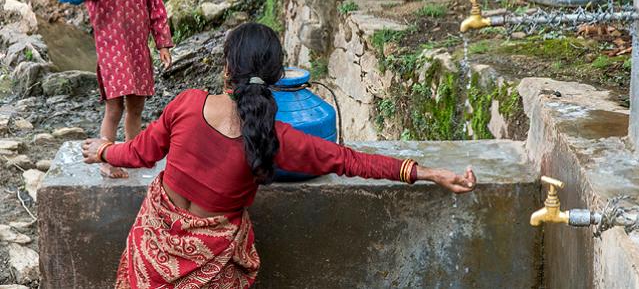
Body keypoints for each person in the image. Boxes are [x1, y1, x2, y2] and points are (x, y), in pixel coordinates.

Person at [81, 23, 477, 288]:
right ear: (276, 77)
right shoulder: (276, 137)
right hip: (212, 271)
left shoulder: (187, 104)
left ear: (226, 67)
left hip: (150, 254)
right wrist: (428, 172)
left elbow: (139, 154)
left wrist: (104, 151)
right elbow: (350, 161)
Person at [67, 0, 173, 178]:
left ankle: (131, 152)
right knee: (114, 109)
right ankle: (105, 158)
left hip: (139, 55)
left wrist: (162, 45)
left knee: (136, 107)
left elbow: (158, 14)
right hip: (113, 57)